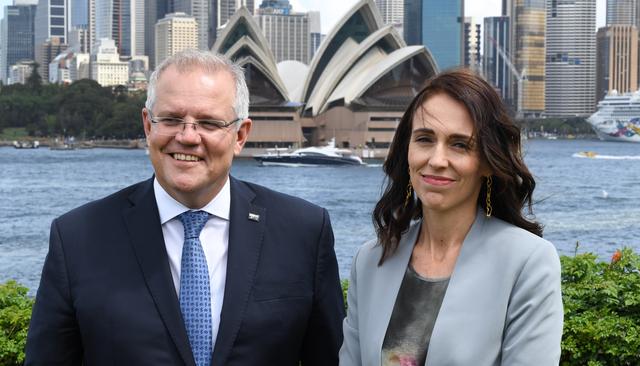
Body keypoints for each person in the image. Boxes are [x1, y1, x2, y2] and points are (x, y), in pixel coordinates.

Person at [25, 50, 345, 366]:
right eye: (171, 119)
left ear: (240, 135)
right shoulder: (78, 237)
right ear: (149, 126)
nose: (188, 136)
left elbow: (330, 357)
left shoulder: (302, 232)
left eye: (208, 122)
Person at [339, 69, 563, 366]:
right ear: (407, 151)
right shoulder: (370, 261)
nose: (436, 160)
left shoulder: (527, 262)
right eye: (424, 139)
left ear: (487, 161)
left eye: (459, 144)